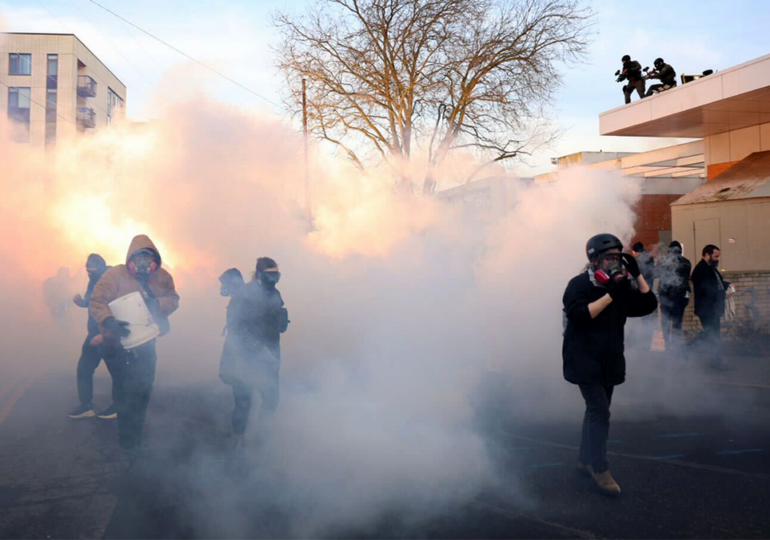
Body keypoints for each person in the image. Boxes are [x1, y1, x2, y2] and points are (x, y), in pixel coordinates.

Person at [563, 234, 657, 496]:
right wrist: (610, 296)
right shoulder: (579, 285)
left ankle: (584, 460)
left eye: (619, 258)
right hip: (584, 359)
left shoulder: (622, 286)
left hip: (610, 359)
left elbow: (648, 304)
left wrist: (637, 276)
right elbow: (579, 315)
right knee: (600, 412)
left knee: (595, 411)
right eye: (609, 259)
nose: (614, 264)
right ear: (594, 261)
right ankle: (600, 468)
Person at [89, 235, 179, 455]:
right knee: (125, 393)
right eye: (139, 257)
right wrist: (109, 321)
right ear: (131, 257)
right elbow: (97, 300)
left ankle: (136, 434)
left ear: (155, 258)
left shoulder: (163, 277)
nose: (143, 263)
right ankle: (128, 439)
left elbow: (174, 299)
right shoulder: (115, 275)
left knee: (143, 392)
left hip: (146, 344)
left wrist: (157, 303)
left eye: (148, 258)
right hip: (116, 344)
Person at [220, 257, 289, 451]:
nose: (273, 279)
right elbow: (234, 327)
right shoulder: (242, 296)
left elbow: (275, 323)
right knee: (243, 401)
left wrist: (281, 321)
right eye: (269, 275)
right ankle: (238, 441)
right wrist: (255, 345)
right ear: (258, 275)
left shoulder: (275, 293)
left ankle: (262, 434)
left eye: (276, 275)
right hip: (243, 357)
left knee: (272, 397)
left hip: (269, 356)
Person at [68, 254, 118, 419]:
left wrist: (104, 334)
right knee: (84, 369)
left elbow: (116, 310)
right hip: (93, 335)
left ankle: (119, 406)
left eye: (92, 270)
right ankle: (86, 406)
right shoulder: (93, 280)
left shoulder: (111, 281)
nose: (89, 273)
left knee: (118, 372)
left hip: (109, 336)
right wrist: (81, 303)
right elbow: (93, 303)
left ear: (100, 267)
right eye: (87, 270)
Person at [691, 244, 732, 370]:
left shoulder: (709, 268)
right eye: (715, 256)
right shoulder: (701, 270)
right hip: (707, 309)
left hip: (712, 308)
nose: (717, 259)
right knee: (712, 335)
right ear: (707, 255)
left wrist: (727, 284)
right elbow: (707, 289)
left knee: (712, 334)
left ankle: (715, 360)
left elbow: (716, 283)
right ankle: (714, 361)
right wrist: (723, 292)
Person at [657, 241, 691, 347]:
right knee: (677, 322)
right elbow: (685, 279)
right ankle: (675, 345)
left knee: (666, 322)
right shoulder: (686, 262)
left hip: (666, 297)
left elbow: (658, 275)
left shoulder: (663, 262)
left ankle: (667, 344)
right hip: (680, 298)